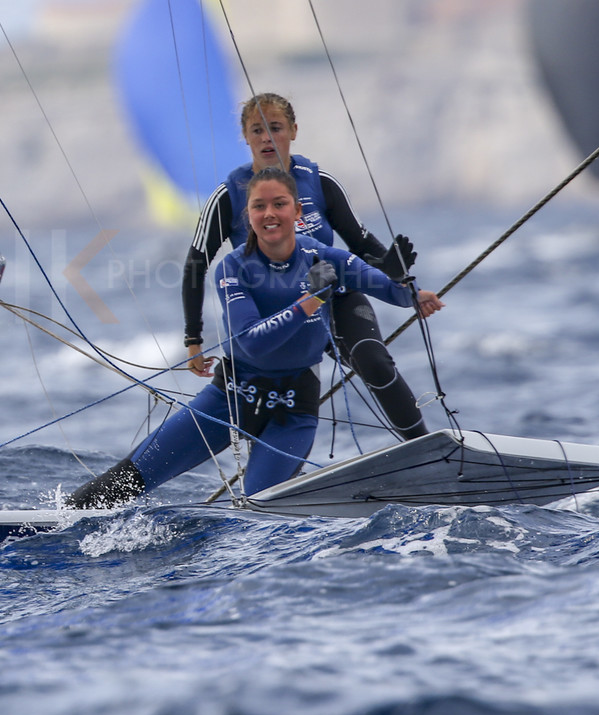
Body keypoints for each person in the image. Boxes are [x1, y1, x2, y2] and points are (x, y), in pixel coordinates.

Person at [68, 167, 443, 508]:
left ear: (297, 211)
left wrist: (410, 291)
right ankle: (59, 521)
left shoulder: (324, 257)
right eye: (258, 206)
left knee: (258, 512)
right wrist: (310, 302)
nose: (269, 214)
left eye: (279, 204)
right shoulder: (233, 268)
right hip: (231, 399)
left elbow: (384, 287)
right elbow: (251, 340)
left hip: (292, 414)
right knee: (128, 480)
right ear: (247, 216)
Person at [183, 93, 432, 439]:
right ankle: (274, 468)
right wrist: (193, 340)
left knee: (374, 362)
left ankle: (427, 447)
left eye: (275, 128)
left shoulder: (319, 182)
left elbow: (363, 247)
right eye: (257, 130)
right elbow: (195, 265)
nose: (267, 138)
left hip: (332, 296)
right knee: (277, 405)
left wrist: (397, 274)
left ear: (293, 131)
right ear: (245, 137)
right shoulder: (229, 196)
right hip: (274, 313)